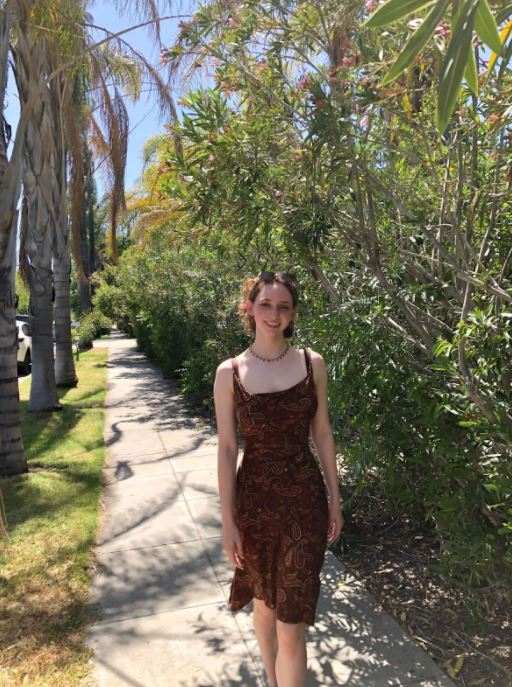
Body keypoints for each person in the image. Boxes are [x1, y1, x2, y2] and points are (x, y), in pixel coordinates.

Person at [213, 270, 344, 687]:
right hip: (254, 506)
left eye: (283, 306)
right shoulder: (229, 372)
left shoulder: (312, 364)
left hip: (304, 502)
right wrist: (227, 520)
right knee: (264, 607)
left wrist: (335, 499)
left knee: (291, 619)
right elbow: (228, 448)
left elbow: (322, 434)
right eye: (265, 304)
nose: (274, 314)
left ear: (293, 313)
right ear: (249, 308)